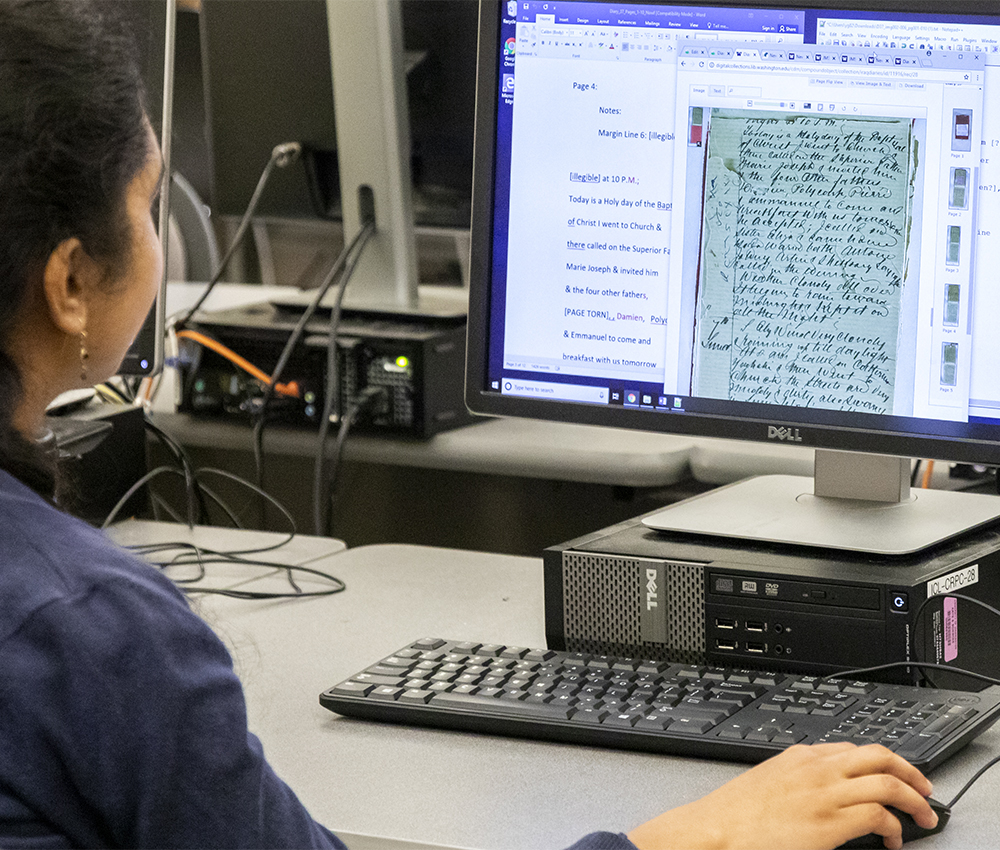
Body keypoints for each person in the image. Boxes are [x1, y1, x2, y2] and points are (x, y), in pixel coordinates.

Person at [0, 2, 940, 848]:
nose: (162, 239)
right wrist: (702, 840)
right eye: (150, 202)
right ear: (73, 283)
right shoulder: (93, 636)